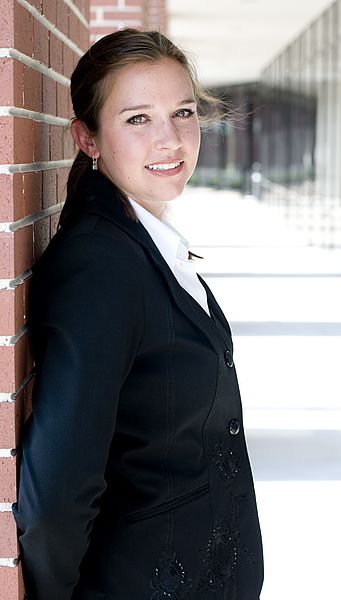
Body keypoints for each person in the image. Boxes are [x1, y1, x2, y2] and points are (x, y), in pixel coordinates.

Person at [13, 28, 264, 600]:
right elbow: (55, 492)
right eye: (137, 119)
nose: (170, 139)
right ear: (88, 138)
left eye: (182, 112)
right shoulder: (100, 268)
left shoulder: (144, 243)